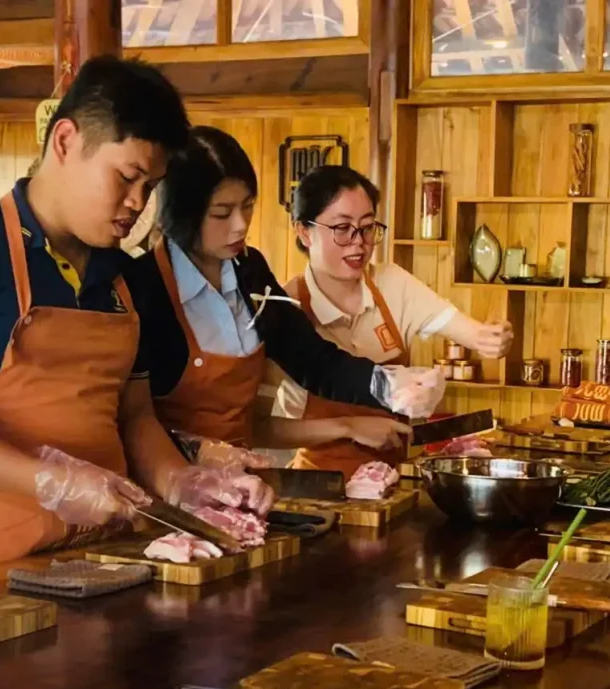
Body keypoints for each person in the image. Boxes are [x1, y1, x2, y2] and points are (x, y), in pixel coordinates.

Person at [0, 56, 269, 579]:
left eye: (150, 187)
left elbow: (135, 418)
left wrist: (179, 481)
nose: (137, 204)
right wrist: (48, 482)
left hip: (101, 559)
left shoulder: (122, 276)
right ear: (64, 141)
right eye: (127, 177)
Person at [127, 126, 441, 470]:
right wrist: (196, 457)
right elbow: (132, 419)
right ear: (182, 213)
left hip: (245, 480)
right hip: (171, 481)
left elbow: (310, 357)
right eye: (222, 213)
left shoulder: (250, 269)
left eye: (248, 206)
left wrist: (386, 384)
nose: (240, 225)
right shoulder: (143, 287)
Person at [271, 164, 512, 478]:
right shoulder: (283, 310)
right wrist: (348, 427)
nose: (359, 242)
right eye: (342, 228)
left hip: (393, 484)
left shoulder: (392, 285)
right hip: (317, 487)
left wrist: (493, 337)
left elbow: (472, 333)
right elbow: (258, 428)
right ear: (304, 231)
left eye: (367, 227)